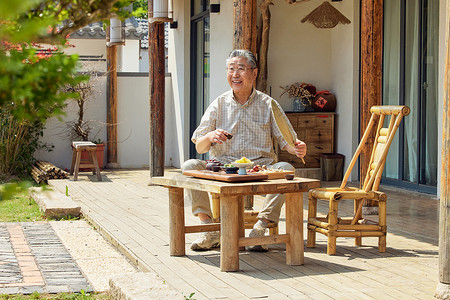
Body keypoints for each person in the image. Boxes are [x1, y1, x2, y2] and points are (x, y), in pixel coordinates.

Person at [182, 49, 307, 251]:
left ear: (254, 73)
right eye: (231, 69)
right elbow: (200, 146)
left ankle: (260, 227)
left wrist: (298, 149)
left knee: (287, 169)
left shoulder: (268, 104)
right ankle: (210, 228)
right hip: (224, 167)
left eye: (241, 69)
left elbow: (288, 143)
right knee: (189, 165)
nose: (235, 74)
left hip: (261, 167)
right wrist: (209, 136)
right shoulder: (219, 103)